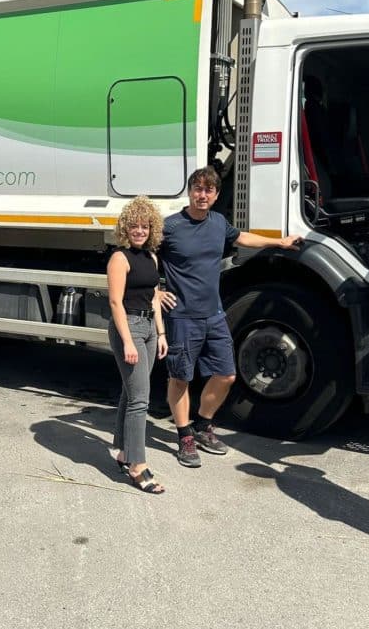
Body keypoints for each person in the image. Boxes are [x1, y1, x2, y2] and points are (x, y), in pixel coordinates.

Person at [160, 166, 303, 467]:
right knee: (180, 377)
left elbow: (241, 238)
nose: (202, 195)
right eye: (197, 189)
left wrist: (278, 242)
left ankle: (202, 425)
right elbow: (141, 255)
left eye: (208, 190)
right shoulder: (170, 226)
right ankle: (184, 435)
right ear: (189, 191)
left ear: (215, 194)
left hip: (213, 314)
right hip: (182, 317)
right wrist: (154, 292)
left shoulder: (217, 223)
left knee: (226, 374)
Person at [107, 196, 168, 494]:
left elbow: (154, 297)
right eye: (135, 226)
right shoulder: (119, 258)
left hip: (148, 328)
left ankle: (122, 451)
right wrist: (128, 341)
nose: (140, 231)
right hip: (127, 327)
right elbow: (116, 303)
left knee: (130, 392)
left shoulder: (152, 258)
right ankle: (137, 466)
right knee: (140, 399)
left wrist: (162, 333)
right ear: (125, 228)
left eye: (145, 226)